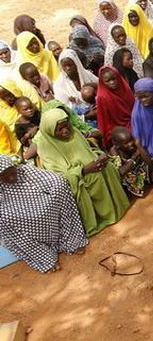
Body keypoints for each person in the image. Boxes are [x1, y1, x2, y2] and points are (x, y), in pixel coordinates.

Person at [35, 108, 130, 236]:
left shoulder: (75, 132)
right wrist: (84, 170)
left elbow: (89, 151)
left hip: (94, 165)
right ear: (50, 131)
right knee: (93, 177)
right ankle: (101, 218)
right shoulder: (46, 146)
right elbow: (58, 177)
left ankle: (117, 208)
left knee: (108, 168)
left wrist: (99, 156)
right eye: (59, 129)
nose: (65, 131)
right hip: (77, 178)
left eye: (66, 125)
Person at [0, 155, 88, 273]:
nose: (11, 178)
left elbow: (53, 180)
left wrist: (54, 190)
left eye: (12, 172)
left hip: (42, 203)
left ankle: (72, 240)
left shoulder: (25, 171)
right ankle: (46, 258)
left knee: (60, 185)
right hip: (17, 215)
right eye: (4, 176)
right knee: (4, 222)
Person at [96, 66, 135, 149]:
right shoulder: (103, 97)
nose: (112, 82)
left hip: (134, 121)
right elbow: (104, 121)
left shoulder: (125, 88)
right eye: (108, 81)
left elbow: (134, 108)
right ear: (102, 82)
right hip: (118, 129)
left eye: (114, 79)